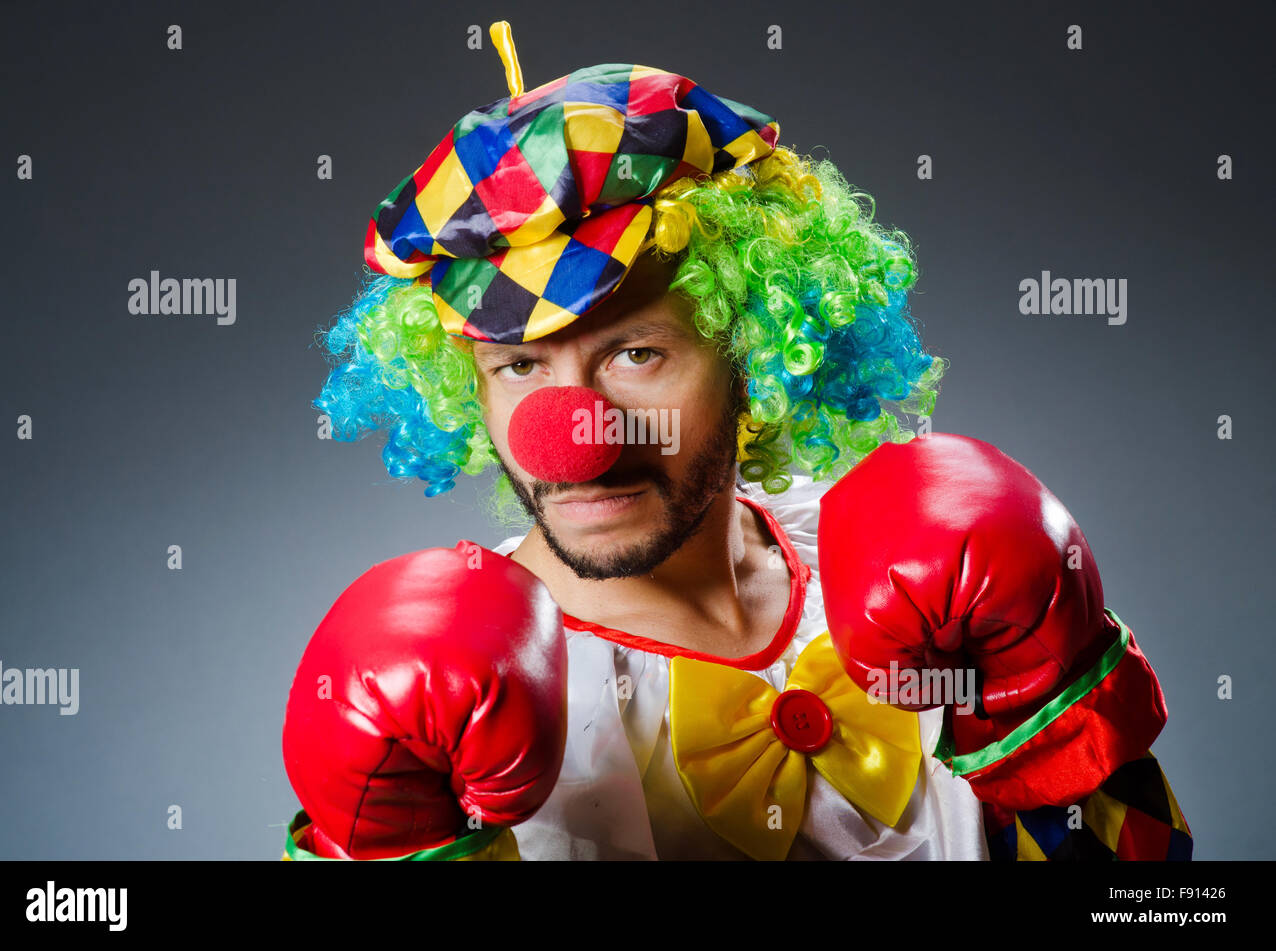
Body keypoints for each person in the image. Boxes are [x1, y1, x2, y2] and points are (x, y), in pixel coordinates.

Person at [280, 22, 1191, 861]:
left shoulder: (917, 584)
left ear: (749, 344)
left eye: (636, 353)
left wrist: (1048, 705)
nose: (573, 437)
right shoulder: (442, 700)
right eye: (519, 366)